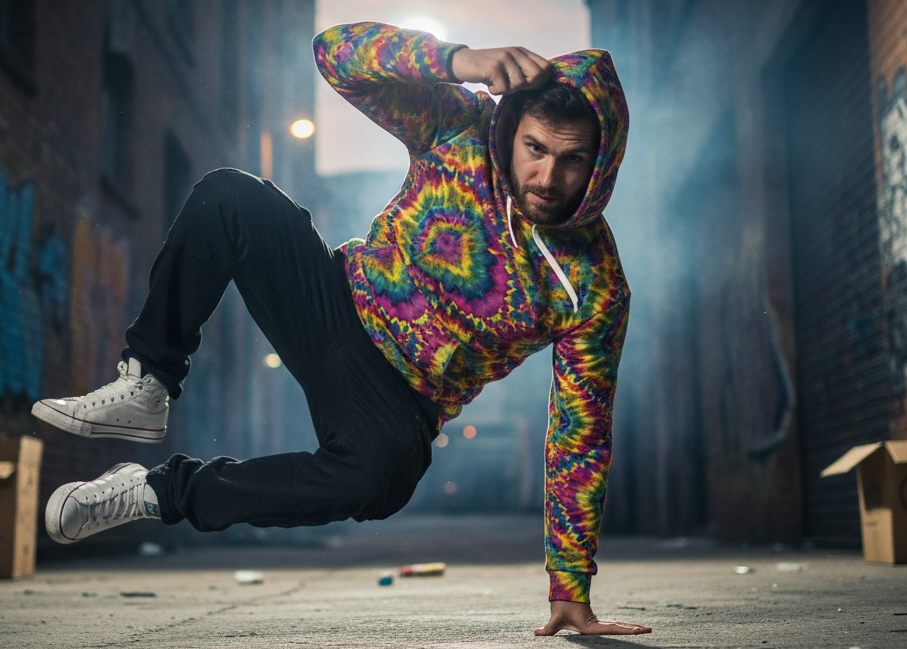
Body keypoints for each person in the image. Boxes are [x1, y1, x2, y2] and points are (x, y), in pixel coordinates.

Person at [35, 22, 643, 636]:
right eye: (536, 149)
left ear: (601, 162)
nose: (547, 179)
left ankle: (157, 493)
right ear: (514, 129)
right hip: (334, 298)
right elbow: (336, 55)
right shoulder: (459, 128)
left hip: (398, 398)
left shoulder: (595, 286)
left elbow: (580, 434)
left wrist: (570, 584)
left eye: (572, 161)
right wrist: (459, 60)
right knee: (229, 196)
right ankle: (147, 384)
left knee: (379, 480)